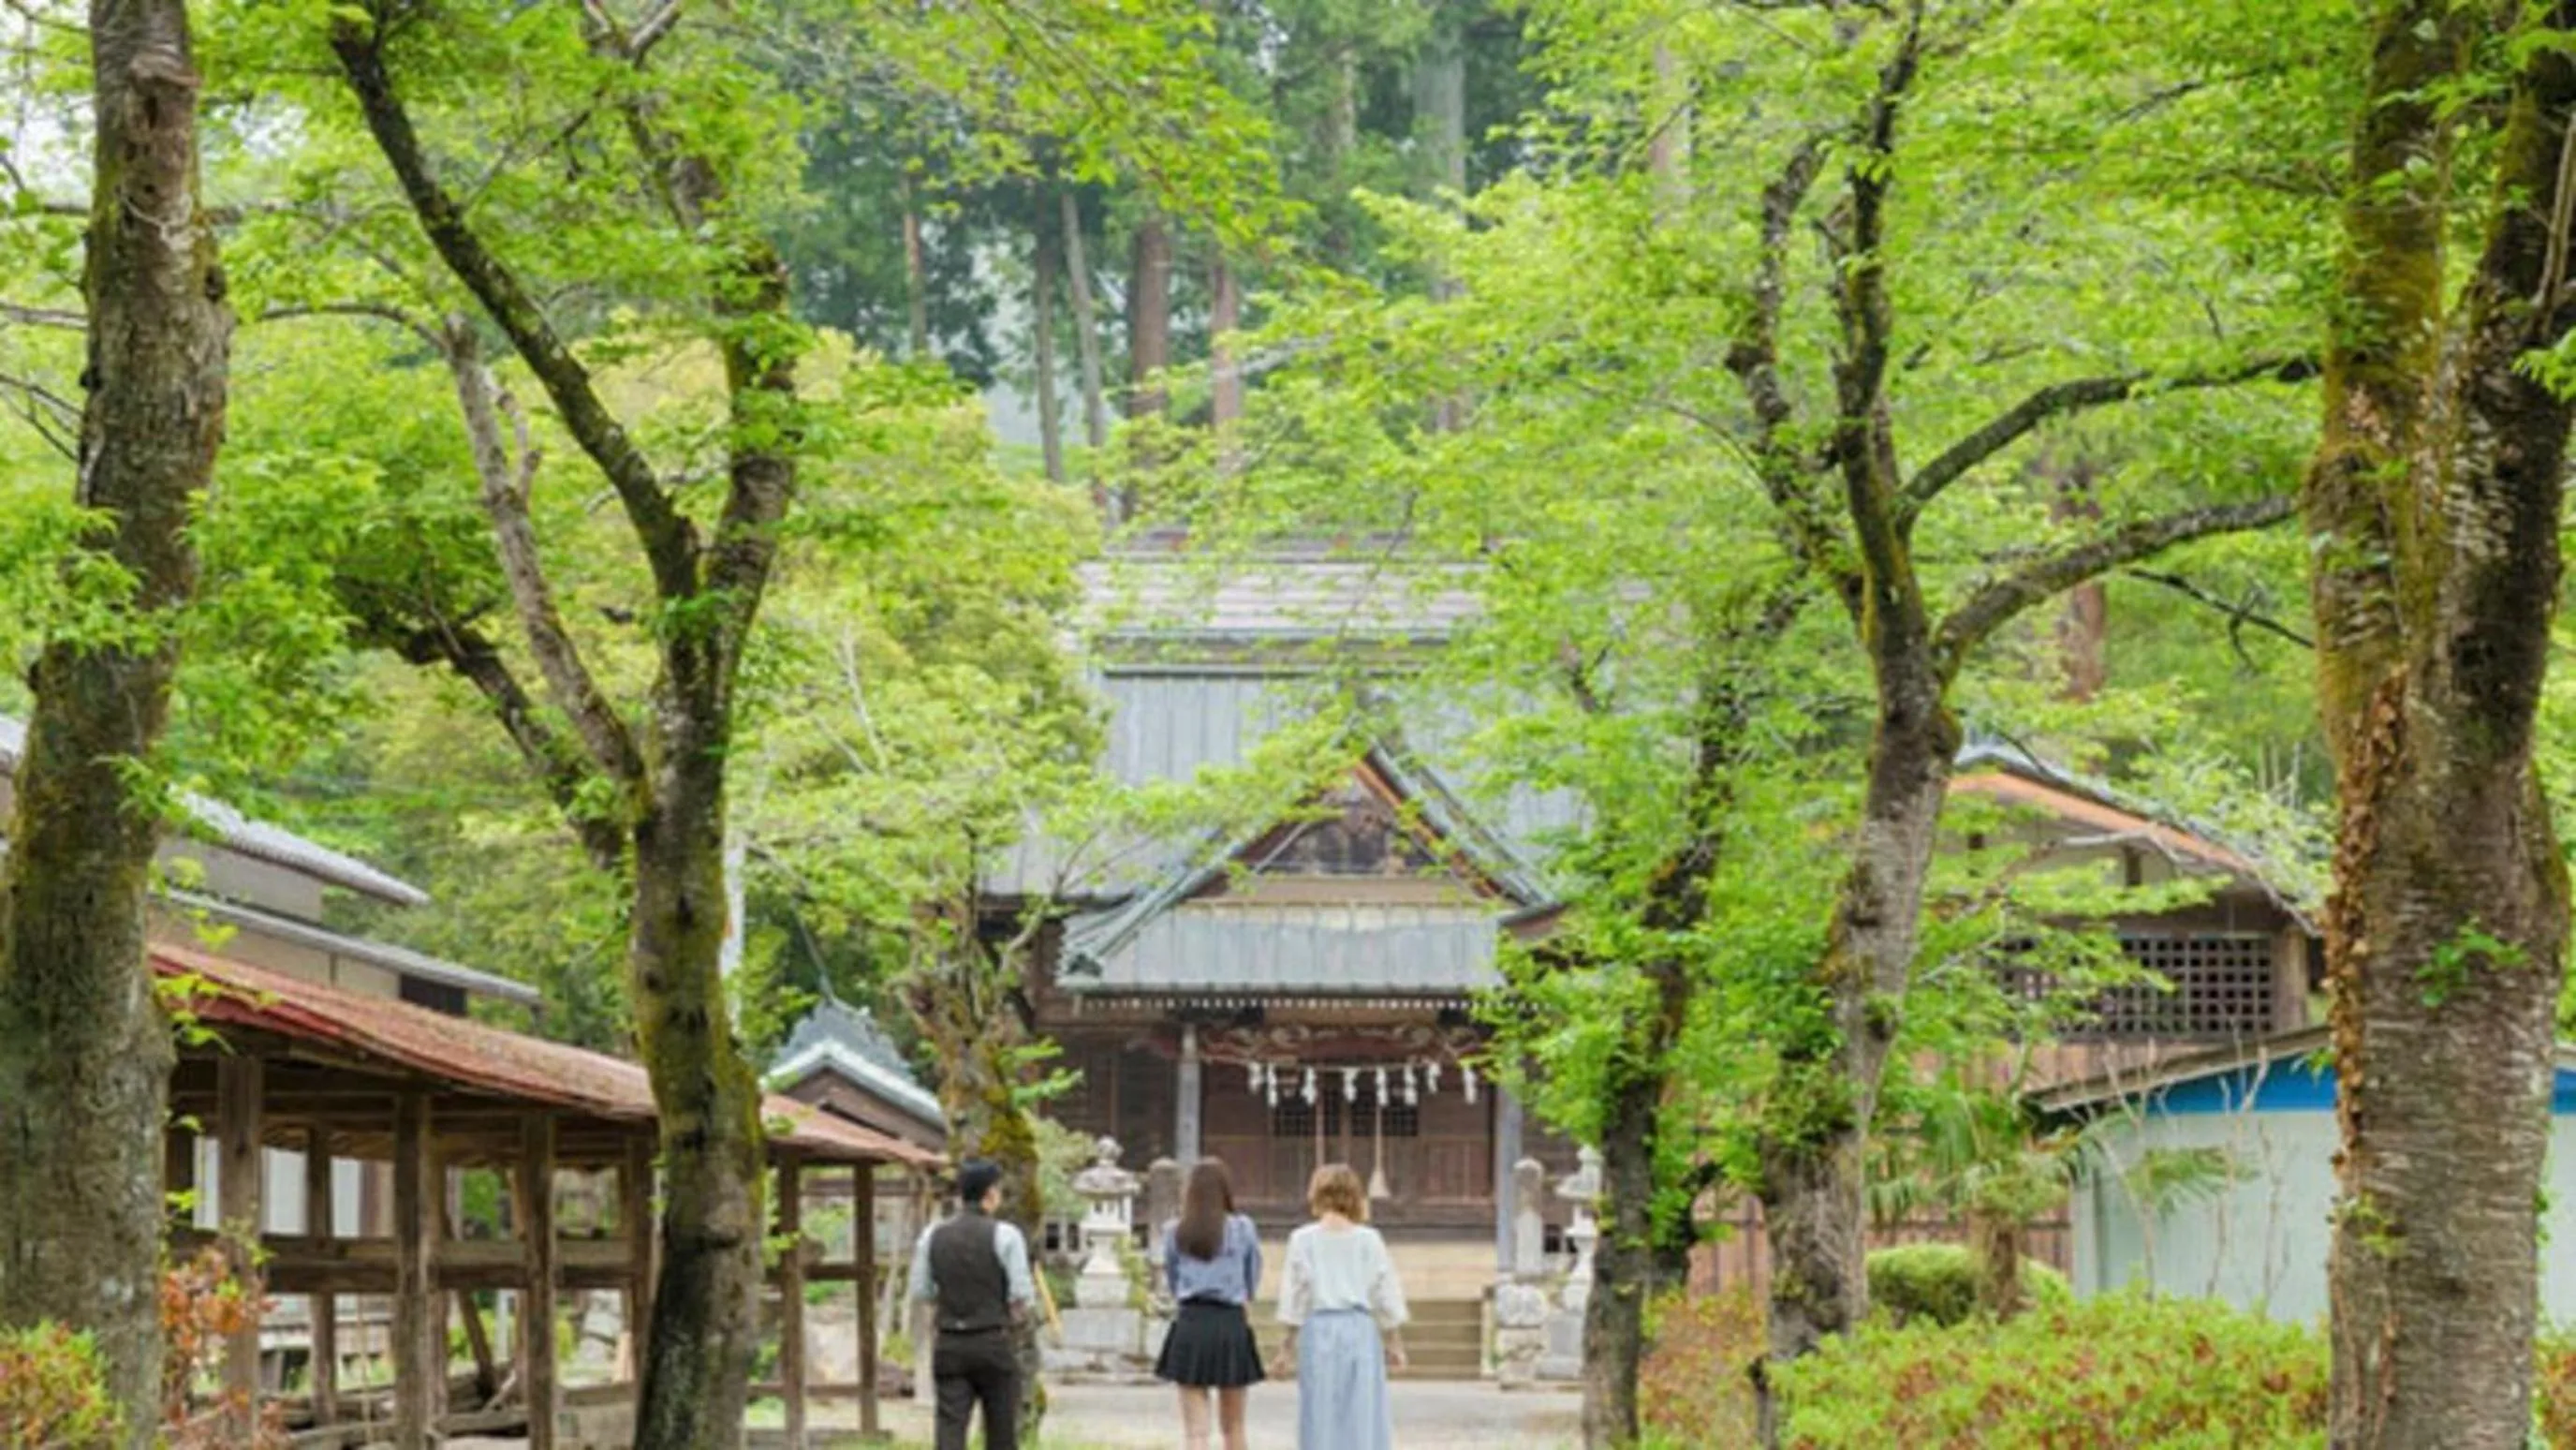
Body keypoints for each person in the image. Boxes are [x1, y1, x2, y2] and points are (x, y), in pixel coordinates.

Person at [1272, 1161, 1409, 1450]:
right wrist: (1394, 1341)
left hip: (1319, 1327)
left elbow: (1296, 1295)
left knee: (1319, 1409)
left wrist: (1286, 1347)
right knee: (1362, 1410)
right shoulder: (1368, 1240)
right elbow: (1383, 1292)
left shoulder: (1303, 1240)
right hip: (1359, 1327)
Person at [906, 1159, 1037, 1450]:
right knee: (1001, 1430)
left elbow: (921, 1290)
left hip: (950, 1340)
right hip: (993, 1338)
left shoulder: (932, 1235)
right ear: (991, 1193)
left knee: (950, 1429)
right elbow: (1022, 1294)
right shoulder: (1006, 1235)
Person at [1153, 1159, 1265, 1450]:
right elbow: (1252, 1276)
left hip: (1191, 1322)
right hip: (1230, 1322)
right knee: (1235, 1427)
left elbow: (1173, 1278)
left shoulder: (1174, 1231)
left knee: (1195, 1432)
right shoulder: (1243, 1229)